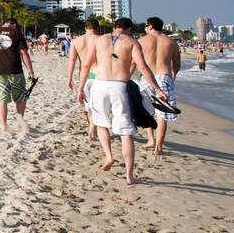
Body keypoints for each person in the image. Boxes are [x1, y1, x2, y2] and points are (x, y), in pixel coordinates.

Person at [75, 18, 169, 185]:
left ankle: (109, 156)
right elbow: (143, 68)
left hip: (99, 84)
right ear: (130, 29)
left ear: (114, 27)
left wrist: (81, 88)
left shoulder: (99, 40)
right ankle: (129, 175)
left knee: (101, 123)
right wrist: (158, 89)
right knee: (126, 132)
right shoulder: (132, 42)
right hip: (120, 86)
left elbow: (86, 66)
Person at [138, 16, 180, 157]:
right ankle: (158, 146)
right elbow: (177, 63)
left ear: (150, 26)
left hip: (147, 77)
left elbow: (134, 62)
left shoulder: (142, 41)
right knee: (162, 115)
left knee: (147, 110)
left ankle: (150, 139)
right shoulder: (171, 42)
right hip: (163, 77)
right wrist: (174, 74)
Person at [0, 18, 34, 132]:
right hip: (14, 69)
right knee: (20, 97)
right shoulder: (16, 33)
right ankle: (19, 124)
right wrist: (31, 71)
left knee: (2, 98)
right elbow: (24, 53)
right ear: (14, 25)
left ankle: (3, 126)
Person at [68, 18, 104, 141]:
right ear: (97, 28)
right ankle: (93, 129)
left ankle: (92, 128)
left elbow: (72, 61)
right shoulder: (101, 40)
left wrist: (69, 78)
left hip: (84, 75)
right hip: (98, 74)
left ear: (85, 28)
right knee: (96, 103)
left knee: (88, 104)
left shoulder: (76, 41)